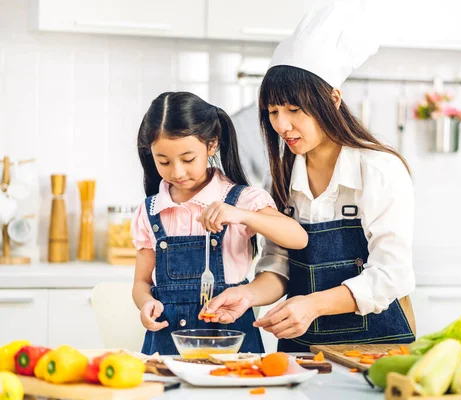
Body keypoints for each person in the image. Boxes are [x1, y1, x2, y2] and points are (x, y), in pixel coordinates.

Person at [201, 0, 417, 352]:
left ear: (332, 98)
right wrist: (246, 295)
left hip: (374, 352)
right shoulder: (285, 172)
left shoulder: (379, 170)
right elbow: (279, 265)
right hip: (300, 355)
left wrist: (312, 305)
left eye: (294, 109)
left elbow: (391, 276)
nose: (281, 125)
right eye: (272, 111)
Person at [131, 91, 308, 355]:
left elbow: (298, 238)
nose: (177, 172)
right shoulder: (151, 210)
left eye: (188, 159)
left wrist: (241, 215)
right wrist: (146, 303)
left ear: (211, 145)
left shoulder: (242, 199)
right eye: (163, 161)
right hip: (168, 346)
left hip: (233, 343)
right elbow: (141, 283)